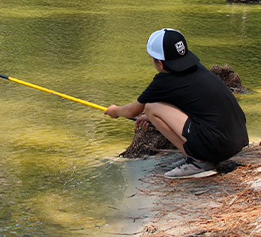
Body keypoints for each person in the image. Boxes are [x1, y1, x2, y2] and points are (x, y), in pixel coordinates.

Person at [105, 28, 248, 179]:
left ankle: (199, 162)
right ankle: (199, 156)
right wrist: (150, 118)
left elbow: (131, 111)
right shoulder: (197, 69)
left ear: (159, 63)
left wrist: (114, 111)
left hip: (218, 146)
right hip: (237, 138)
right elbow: (191, 104)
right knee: (151, 111)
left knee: (151, 107)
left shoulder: (163, 81)